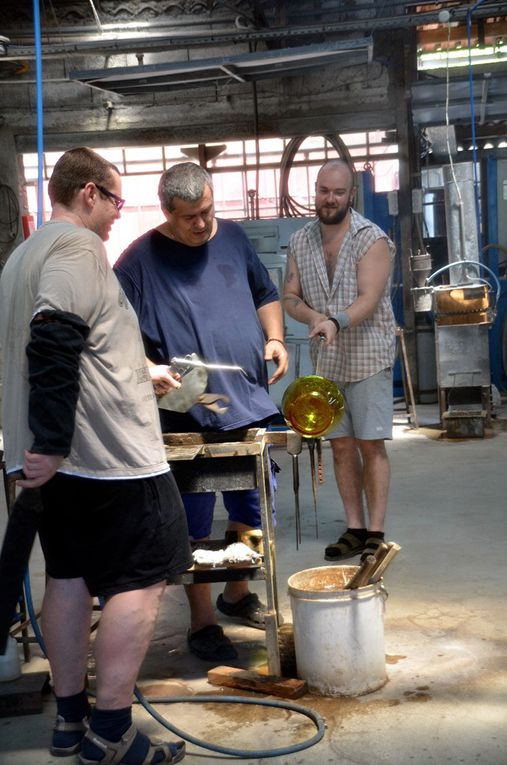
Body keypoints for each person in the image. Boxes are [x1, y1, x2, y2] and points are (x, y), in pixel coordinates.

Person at [0, 148, 192, 765]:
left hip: (55, 467)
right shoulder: (79, 249)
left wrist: (143, 369)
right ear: (87, 194)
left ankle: (71, 722)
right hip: (111, 458)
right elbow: (55, 332)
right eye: (115, 199)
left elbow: (72, 336)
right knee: (144, 578)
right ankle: (112, 732)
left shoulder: (20, 257)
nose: (118, 213)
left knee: (67, 577)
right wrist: (54, 443)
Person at [114, 162, 288, 663]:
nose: (202, 224)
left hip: (248, 402)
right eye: (190, 217)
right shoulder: (137, 263)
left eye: (207, 211)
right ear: (167, 212)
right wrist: (147, 367)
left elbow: (265, 293)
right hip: (184, 413)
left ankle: (236, 594)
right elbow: (114, 335)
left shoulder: (231, 237)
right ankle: (203, 620)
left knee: (253, 507)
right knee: (192, 521)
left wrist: (274, 338)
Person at [283, 159, 396, 563]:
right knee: (341, 447)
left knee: (370, 444)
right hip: (327, 362)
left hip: (368, 356)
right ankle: (355, 527)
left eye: (338, 192)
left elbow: (368, 298)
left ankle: (376, 532)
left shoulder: (372, 239)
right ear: (315, 191)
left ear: (352, 194)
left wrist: (335, 320)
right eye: (323, 190)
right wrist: (313, 317)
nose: (329, 199)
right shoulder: (300, 240)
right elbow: (290, 297)